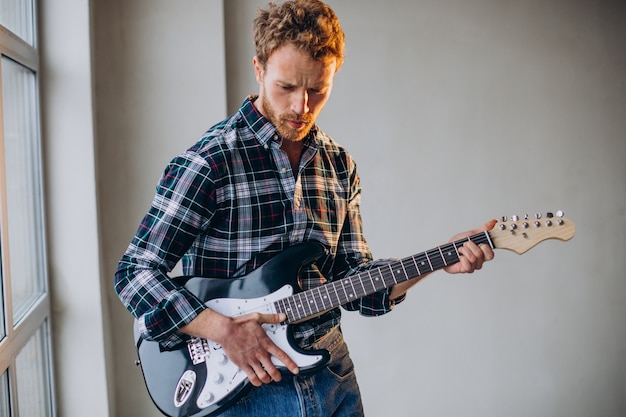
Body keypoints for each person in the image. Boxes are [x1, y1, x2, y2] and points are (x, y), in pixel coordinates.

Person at [114, 1, 495, 416]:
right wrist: (222, 330)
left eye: (317, 90)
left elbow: (357, 286)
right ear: (259, 69)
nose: (302, 106)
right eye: (286, 87)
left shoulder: (338, 164)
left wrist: (439, 260)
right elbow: (134, 274)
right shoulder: (210, 162)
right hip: (244, 388)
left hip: (331, 375)